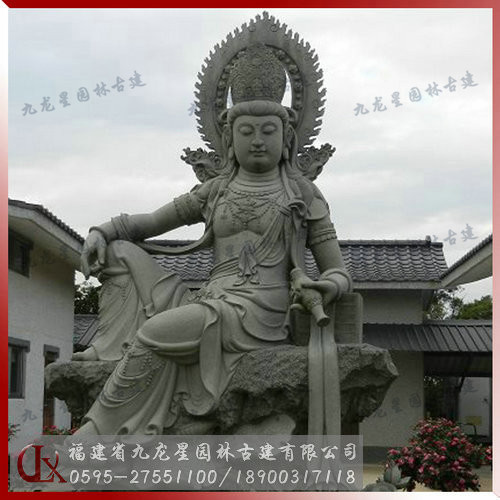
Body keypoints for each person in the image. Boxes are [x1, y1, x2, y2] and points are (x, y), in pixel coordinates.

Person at [73, 44, 352, 436]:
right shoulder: (217, 190)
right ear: (229, 137)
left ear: (287, 136)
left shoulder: (302, 194)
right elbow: (151, 223)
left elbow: (338, 272)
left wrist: (325, 286)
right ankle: (110, 347)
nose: (258, 140)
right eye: (247, 131)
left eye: (268, 131)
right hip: (207, 299)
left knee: (156, 332)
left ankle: (100, 431)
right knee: (119, 253)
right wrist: (102, 231)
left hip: (257, 312)